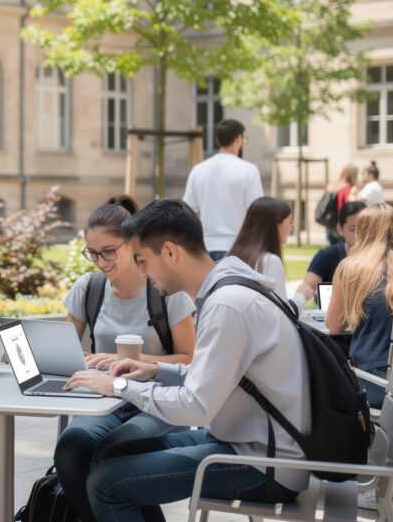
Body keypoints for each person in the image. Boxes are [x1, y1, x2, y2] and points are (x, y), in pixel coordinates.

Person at [63, 199, 311, 522]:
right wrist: (155, 369)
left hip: (265, 463)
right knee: (112, 454)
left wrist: (118, 386)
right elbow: (209, 373)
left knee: (105, 484)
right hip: (243, 440)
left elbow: (196, 407)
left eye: (142, 260)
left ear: (170, 252)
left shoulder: (227, 306)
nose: (141, 272)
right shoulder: (227, 289)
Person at [55, 195, 196, 521]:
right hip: (104, 400)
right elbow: (64, 351)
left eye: (108, 251)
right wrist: (79, 361)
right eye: (92, 253)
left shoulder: (165, 290)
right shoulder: (88, 288)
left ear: (132, 242)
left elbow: (190, 359)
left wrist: (128, 360)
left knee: (114, 451)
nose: (100, 262)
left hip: (158, 402)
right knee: (70, 448)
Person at [325, 203, 393, 505]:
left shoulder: (351, 268)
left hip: (384, 390)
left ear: (364, 233)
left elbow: (334, 325)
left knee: (344, 375)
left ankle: (377, 482)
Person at [182, 119, 263, 260]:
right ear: (239, 138)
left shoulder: (198, 170)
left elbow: (188, 212)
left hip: (205, 247)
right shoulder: (249, 170)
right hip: (238, 247)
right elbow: (258, 214)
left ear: (217, 140)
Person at [294, 201, 367, 306]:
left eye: (365, 228)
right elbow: (305, 289)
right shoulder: (327, 256)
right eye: (353, 229)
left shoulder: (381, 258)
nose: (360, 235)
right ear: (340, 229)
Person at [225, 196, 293, 300]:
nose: (291, 228)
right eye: (290, 222)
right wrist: (301, 295)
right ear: (276, 225)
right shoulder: (271, 261)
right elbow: (280, 308)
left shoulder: (229, 257)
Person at [327, 164, 359, 245]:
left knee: (334, 250)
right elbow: (354, 207)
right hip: (343, 225)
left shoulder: (331, 187)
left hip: (330, 224)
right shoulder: (349, 189)